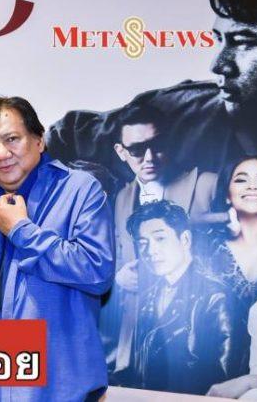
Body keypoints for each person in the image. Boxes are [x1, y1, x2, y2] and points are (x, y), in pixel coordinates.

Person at [0, 96, 115, 401]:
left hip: (61, 391)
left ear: (39, 141)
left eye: (12, 139)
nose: (2, 154)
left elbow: (97, 271)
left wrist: (21, 230)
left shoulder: (81, 190)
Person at [46, 0, 257, 179]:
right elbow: (60, 141)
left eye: (243, 41)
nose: (218, 65)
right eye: (218, 39)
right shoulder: (174, 112)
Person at [105, 104, 217, 378]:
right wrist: (118, 278)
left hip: (196, 339)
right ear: (120, 151)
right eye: (136, 150)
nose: (149, 158)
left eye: (157, 146)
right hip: (136, 342)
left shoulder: (207, 184)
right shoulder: (121, 199)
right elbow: (118, 257)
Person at [124, 200, 242, 395]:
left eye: (160, 238)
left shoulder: (216, 297)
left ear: (185, 239)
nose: (150, 251)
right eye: (143, 243)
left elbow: (225, 383)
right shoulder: (148, 297)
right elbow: (140, 371)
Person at [207, 155, 257, 377]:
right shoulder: (207, 250)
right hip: (209, 376)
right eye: (241, 179)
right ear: (227, 194)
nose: (252, 186)